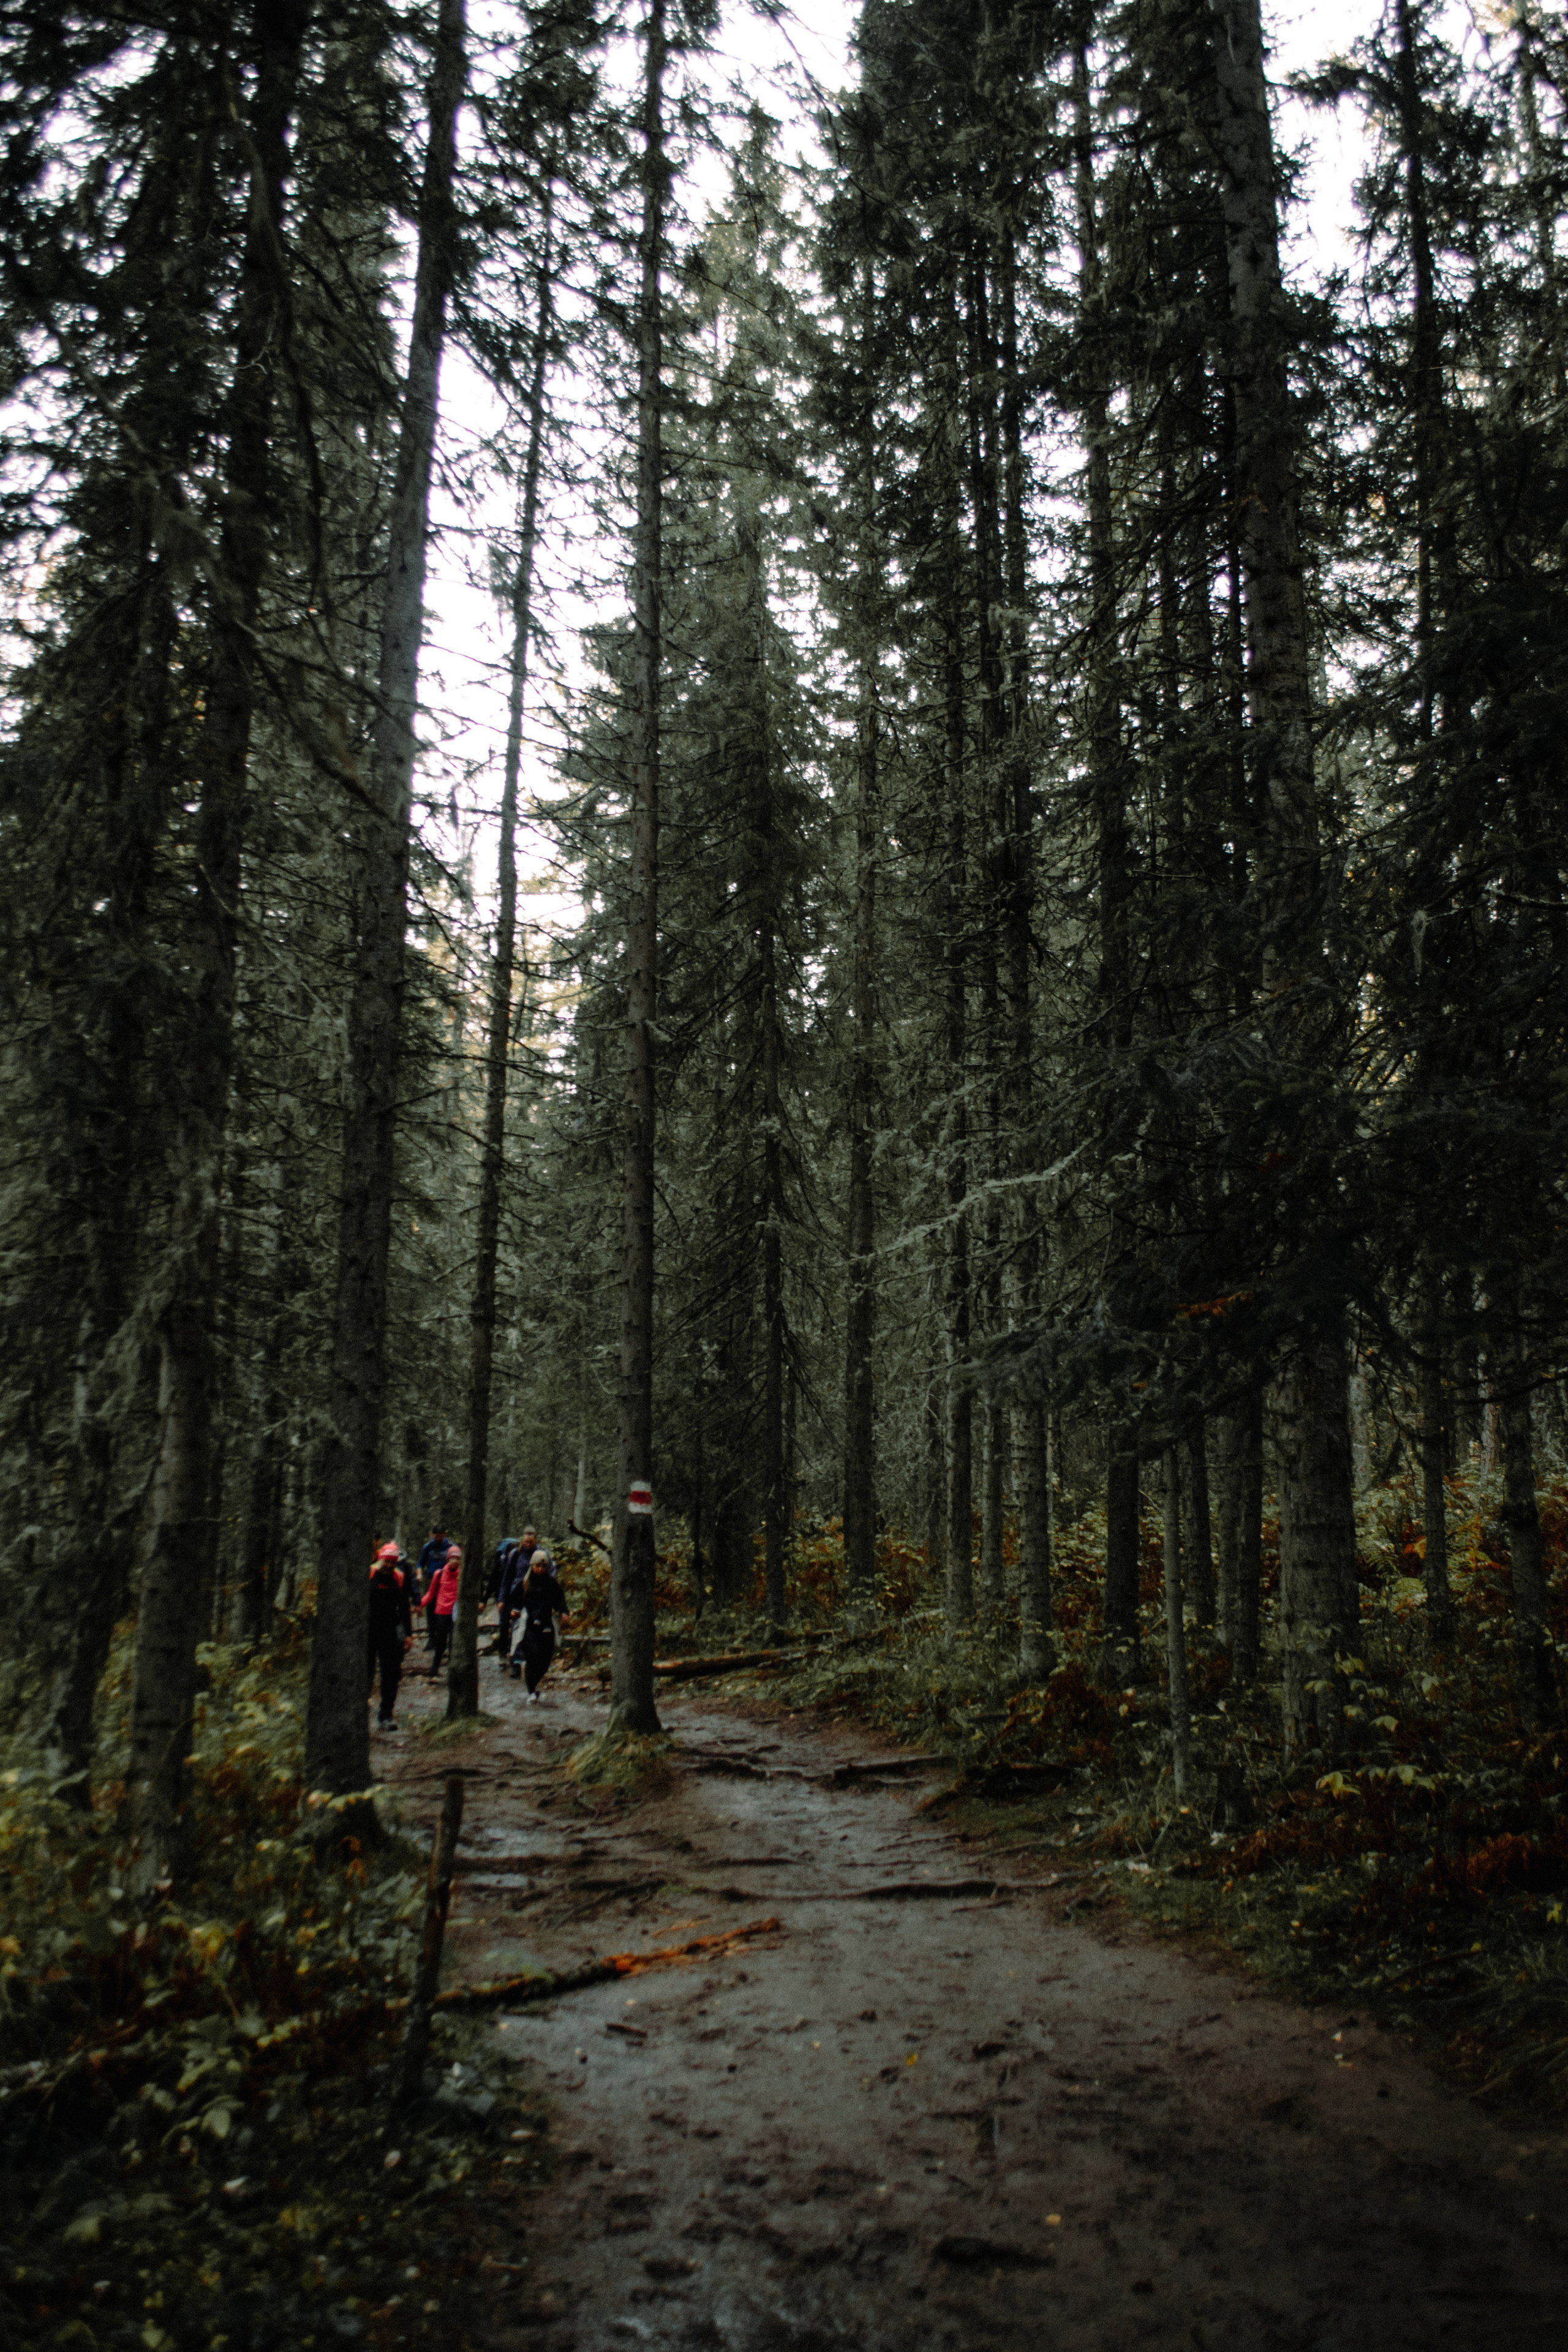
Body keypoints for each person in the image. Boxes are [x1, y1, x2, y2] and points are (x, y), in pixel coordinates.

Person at [367, 1541, 413, 1729]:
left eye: (393, 1563)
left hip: (391, 1632)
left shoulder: (399, 1578)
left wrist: (408, 1635)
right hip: (368, 1631)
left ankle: (386, 1716)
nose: (389, 1566)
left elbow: (404, 1608)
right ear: (380, 1559)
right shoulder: (369, 1575)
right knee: (365, 1674)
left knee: (391, 1676)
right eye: (387, 1561)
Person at [513, 1544, 567, 1700]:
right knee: (532, 1657)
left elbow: (559, 1599)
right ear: (532, 1565)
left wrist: (564, 1611)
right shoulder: (525, 1583)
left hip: (546, 1623)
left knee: (545, 1661)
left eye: (544, 1566)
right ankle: (531, 1692)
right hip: (529, 1624)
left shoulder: (551, 1583)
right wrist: (515, 1610)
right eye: (538, 1566)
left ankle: (534, 1684)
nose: (540, 1569)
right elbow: (516, 1600)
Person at [495, 1526, 538, 1667]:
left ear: (535, 1540)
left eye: (531, 1542)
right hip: (514, 1593)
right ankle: (507, 1654)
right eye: (526, 1542)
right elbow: (507, 1577)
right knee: (509, 1624)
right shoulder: (516, 1554)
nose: (528, 1544)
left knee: (527, 1625)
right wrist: (502, 1598)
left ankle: (523, 1655)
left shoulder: (540, 1553)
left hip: (532, 1594)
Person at [425, 1542, 461, 1676]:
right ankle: (434, 1668)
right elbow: (431, 1593)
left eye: (457, 1559)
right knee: (441, 1641)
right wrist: (419, 1604)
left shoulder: (462, 1575)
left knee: (454, 1641)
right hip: (441, 1611)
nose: (455, 1561)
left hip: (455, 1612)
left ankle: (453, 1671)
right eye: (452, 1558)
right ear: (448, 1559)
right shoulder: (438, 1574)